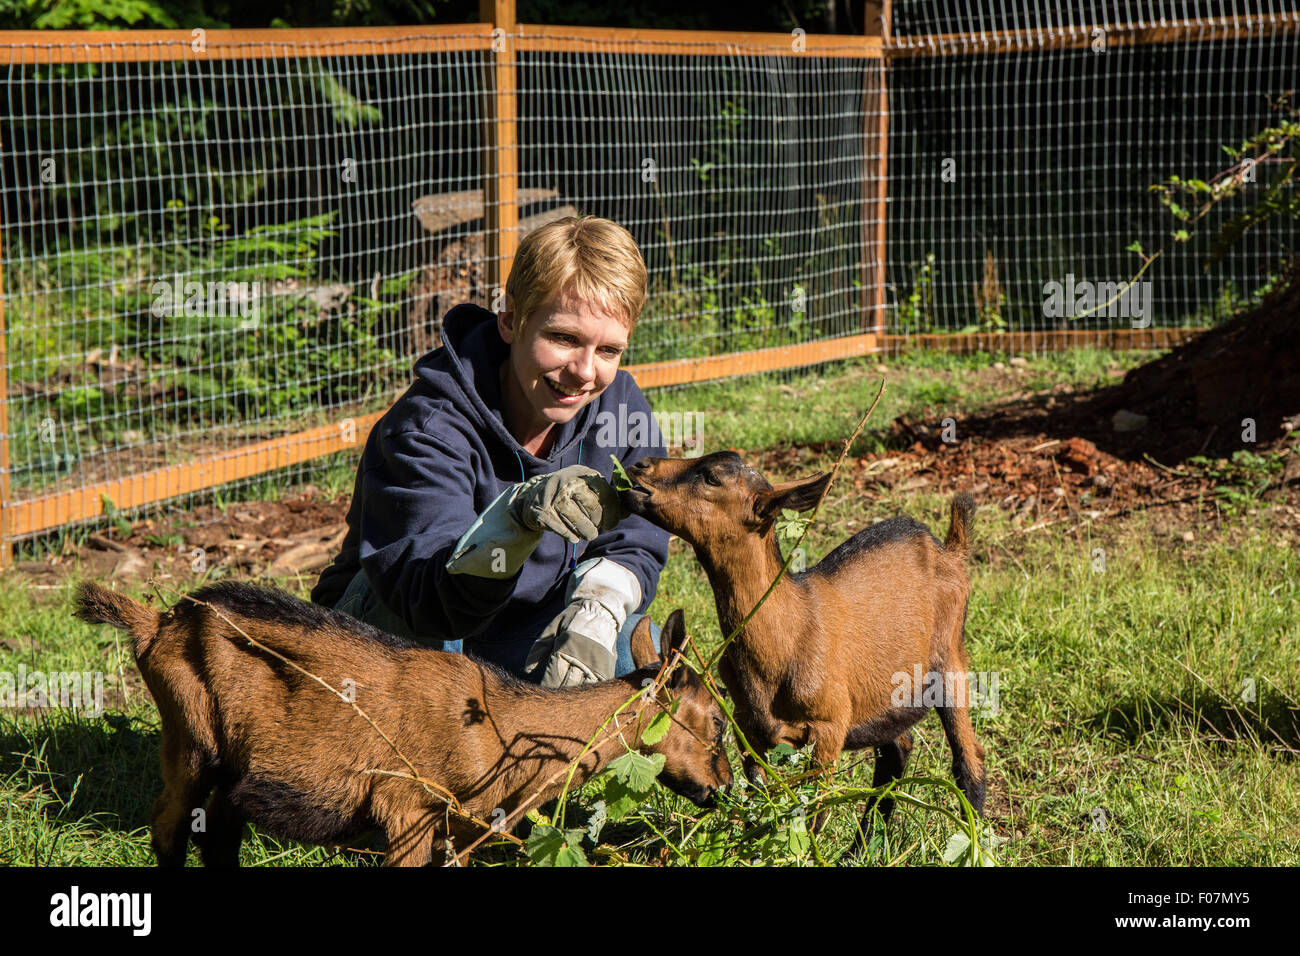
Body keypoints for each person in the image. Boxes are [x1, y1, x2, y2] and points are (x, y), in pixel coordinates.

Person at [311, 216, 671, 687]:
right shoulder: (427, 427)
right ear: (509, 319)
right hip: (400, 626)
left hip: (521, 632)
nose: (585, 372)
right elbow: (426, 599)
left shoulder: (619, 406)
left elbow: (637, 535)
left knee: (649, 663)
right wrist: (513, 521)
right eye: (563, 338)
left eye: (608, 350)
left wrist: (599, 603)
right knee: (432, 662)